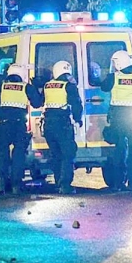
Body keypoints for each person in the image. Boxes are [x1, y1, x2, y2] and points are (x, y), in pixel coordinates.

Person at [100, 50, 132, 192]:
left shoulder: (114, 77)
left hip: (119, 119)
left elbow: (104, 87)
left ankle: (119, 183)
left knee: (119, 150)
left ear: (118, 63)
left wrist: (111, 74)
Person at [0, 63, 42, 195]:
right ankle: (16, 184)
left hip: (3, 125)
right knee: (18, 155)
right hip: (19, 125)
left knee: (2, 154)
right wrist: (37, 88)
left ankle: (1, 183)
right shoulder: (26, 87)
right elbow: (37, 103)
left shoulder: (1, 86)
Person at [41, 60, 83, 194]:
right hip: (62, 124)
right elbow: (76, 104)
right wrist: (78, 119)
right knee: (67, 154)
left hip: (48, 125)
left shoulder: (48, 85)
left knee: (56, 154)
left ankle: (58, 181)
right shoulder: (68, 86)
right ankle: (65, 185)